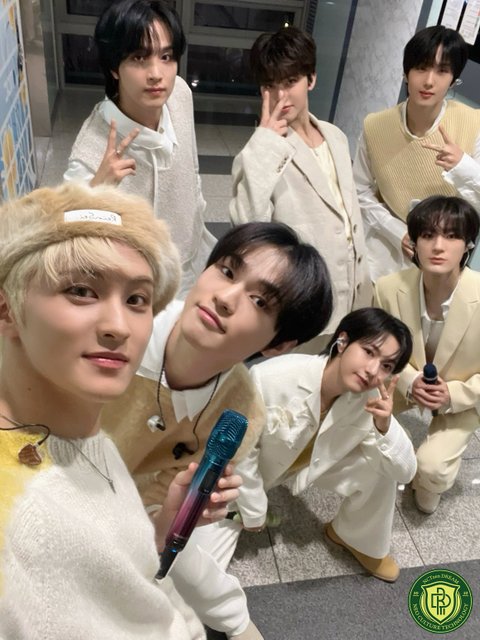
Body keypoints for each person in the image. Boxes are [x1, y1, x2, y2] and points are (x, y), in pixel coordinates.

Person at [0, 182, 241, 639]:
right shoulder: (22, 526)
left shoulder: (77, 429)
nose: (118, 327)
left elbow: (119, 577)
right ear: (6, 308)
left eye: (136, 300)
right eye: (80, 290)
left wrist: (162, 528)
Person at [100, 221, 333, 639]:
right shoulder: (118, 328)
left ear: (279, 345)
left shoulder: (240, 411)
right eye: (227, 271)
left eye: (259, 301)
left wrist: (168, 519)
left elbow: (157, 511)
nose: (224, 298)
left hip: (125, 520)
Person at [180, 307, 415, 637]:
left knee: (383, 460)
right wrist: (254, 510)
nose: (373, 370)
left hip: (304, 467)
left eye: (387, 366)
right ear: (343, 341)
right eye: (369, 352)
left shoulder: (372, 401)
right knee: (187, 570)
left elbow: (405, 472)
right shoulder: (273, 378)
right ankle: (234, 622)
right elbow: (240, 453)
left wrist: (384, 426)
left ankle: (358, 538)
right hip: (232, 479)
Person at [229, 26, 372, 353]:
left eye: (290, 82)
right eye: (270, 85)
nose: (281, 96)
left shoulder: (335, 136)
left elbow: (346, 212)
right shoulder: (258, 153)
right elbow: (247, 228)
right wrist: (265, 144)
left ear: (311, 79)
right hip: (305, 303)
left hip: (354, 297)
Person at [64, 0, 215, 296]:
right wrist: (96, 192)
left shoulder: (180, 94)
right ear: (114, 67)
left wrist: (197, 211)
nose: (156, 73)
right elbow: (68, 245)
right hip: (143, 287)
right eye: (139, 57)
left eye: (166, 56)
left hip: (195, 255)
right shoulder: (90, 151)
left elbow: (191, 166)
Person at [374, 195, 480, 514]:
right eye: (428, 235)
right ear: (413, 242)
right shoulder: (387, 288)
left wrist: (454, 395)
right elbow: (375, 349)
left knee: (432, 470)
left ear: (468, 245)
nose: (438, 246)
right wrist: (409, 381)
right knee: (355, 416)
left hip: (463, 392)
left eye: (452, 236)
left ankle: (429, 481)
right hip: (401, 380)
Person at [355, 25, 480, 282]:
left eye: (442, 71)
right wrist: (398, 232)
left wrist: (463, 166)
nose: (429, 81)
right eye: (421, 68)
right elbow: (360, 190)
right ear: (406, 73)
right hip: (385, 256)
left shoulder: (473, 124)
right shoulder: (376, 126)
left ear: (453, 79)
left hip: (445, 261)